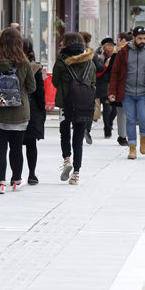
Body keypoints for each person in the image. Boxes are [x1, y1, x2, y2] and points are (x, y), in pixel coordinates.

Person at [0, 27, 35, 193]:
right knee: (16, 147)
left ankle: (1, 183)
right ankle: (17, 180)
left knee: (0, 147)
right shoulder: (24, 62)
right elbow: (31, 87)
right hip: (19, 112)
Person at [109, 26, 145, 159]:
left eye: (144, 38)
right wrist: (112, 91)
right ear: (133, 38)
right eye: (140, 38)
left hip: (144, 93)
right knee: (130, 120)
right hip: (127, 93)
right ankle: (132, 147)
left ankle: (143, 136)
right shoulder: (123, 52)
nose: (143, 41)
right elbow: (115, 72)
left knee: (144, 118)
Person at [53, 32, 96, 184]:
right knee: (78, 137)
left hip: (65, 103)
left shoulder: (61, 60)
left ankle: (66, 160)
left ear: (67, 43)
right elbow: (92, 84)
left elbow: (55, 81)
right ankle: (76, 174)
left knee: (64, 132)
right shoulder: (90, 61)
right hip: (83, 105)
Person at [22, 39, 45, 185]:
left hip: (11, 107)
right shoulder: (34, 67)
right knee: (31, 144)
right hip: (31, 108)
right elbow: (40, 92)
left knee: (15, 144)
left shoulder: (8, 64)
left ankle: (15, 175)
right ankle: (32, 174)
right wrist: (42, 111)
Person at [94, 37, 117, 139]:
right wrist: (105, 65)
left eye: (112, 45)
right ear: (103, 46)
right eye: (108, 45)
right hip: (101, 84)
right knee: (107, 106)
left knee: (115, 108)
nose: (111, 47)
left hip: (112, 84)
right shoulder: (99, 56)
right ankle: (107, 129)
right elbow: (98, 72)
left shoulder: (115, 56)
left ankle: (109, 124)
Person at [114, 32, 131, 146]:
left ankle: (123, 135)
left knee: (123, 113)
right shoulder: (118, 53)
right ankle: (123, 135)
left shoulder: (119, 53)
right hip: (123, 87)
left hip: (127, 86)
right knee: (122, 112)